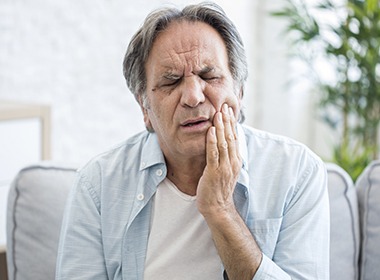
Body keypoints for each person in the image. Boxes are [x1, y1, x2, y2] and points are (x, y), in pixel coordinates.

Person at [56, 2, 330, 279]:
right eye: (171, 81)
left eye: (209, 75)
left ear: (239, 91)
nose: (193, 97)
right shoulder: (98, 184)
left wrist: (220, 209)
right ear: (144, 108)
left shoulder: (297, 171)